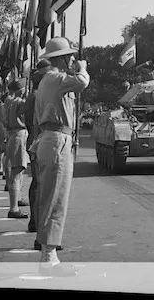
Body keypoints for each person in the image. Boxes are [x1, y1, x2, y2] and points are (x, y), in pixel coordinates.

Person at [31, 37, 89, 275]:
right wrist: (82, 69)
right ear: (62, 58)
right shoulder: (56, 78)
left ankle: (48, 253)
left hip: (49, 138)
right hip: (57, 139)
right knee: (56, 198)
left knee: (50, 196)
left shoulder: (46, 81)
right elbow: (82, 82)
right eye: (70, 56)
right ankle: (49, 257)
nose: (73, 60)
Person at [25, 59, 51, 243]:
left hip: (36, 140)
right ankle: (39, 228)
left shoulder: (33, 96)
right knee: (41, 185)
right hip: (40, 141)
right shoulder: (36, 96)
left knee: (38, 184)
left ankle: (36, 222)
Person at [4, 78, 30, 219]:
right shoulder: (20, 103)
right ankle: (13, 208)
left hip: (13, 135)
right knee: (17, 170)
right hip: (19, 135)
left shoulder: (9, 103)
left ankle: (16, 201)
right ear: (21, 90)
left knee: (17, 171)